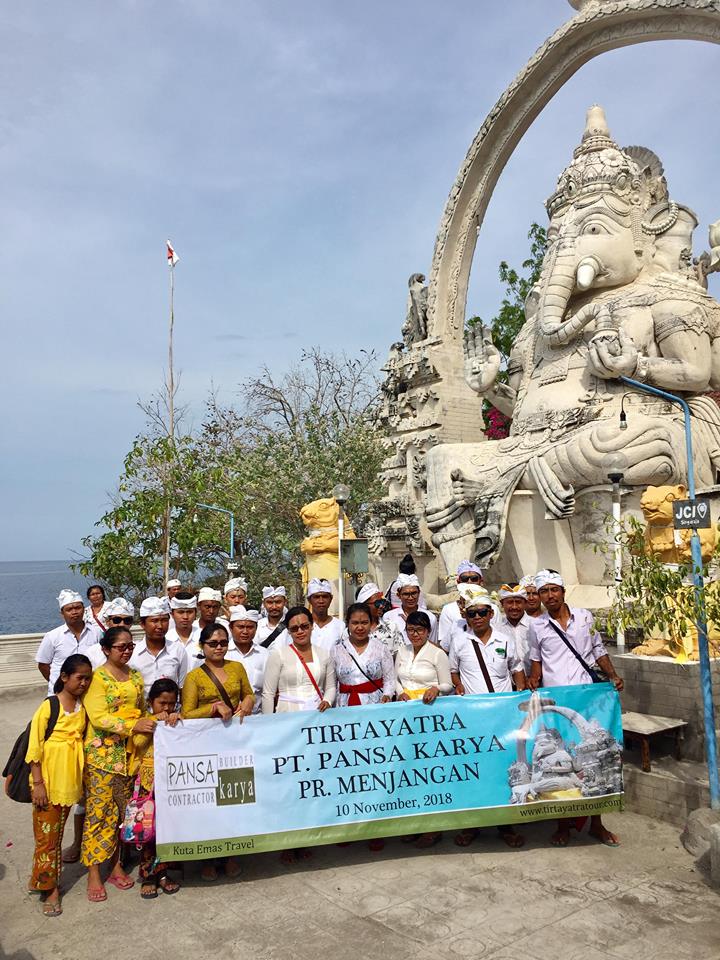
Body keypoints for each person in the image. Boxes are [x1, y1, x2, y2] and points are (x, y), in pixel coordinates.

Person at [527, 570, 624, 848]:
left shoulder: (584, 617)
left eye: (553, 590)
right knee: (561, 764)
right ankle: (564, 825)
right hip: (557, 701)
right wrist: (534, 681)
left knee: (594, 759)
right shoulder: (537, 626)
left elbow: (597, 651)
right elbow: (537, 662)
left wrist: (613, 676)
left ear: (563, 591)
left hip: (588, 698)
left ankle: (597, 823)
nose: (549, 596)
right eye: (543, 592)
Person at [81, 626, 154, 902]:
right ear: (105, 649)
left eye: (129, 646)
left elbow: (144, 709)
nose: (126, 651)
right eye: (120, 647)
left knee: (122, 815)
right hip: (103, 757)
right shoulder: (98, 678)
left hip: (131, 756)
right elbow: (98, 717)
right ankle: (94, 873)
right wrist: (133, 725)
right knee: (98, 815)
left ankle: (114, 865)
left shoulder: (135, 675)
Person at [450, 586, 526, 850]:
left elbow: (517, 669)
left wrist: (520, 696)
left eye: (482, 612)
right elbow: (454, 672)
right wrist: (458, 686)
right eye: (472, 614)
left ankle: (506, 823)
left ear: (491, 613)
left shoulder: (505, 640)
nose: (477, 617)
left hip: (502, 717)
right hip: (474, 719)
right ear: (467, 617)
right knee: (475, 771)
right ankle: (473, 823)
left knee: (504, 770)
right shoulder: (459, 641)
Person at [181, 622, 255, 882]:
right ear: (202, 646)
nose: (219, 647)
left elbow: (248, 694)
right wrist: (213, 707)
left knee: (235, 798)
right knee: (209, 802)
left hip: (234, 742)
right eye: (213, 643)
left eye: (223, 642)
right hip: (206, 745)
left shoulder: (237, 667)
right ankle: (208, 856)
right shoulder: (194, 677)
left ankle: (233, 852)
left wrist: (246, 703)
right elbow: (186, 714)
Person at [26, 654, 92, 917]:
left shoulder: (81, 708)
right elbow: (34, 748)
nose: (84, 683)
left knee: (54, 836)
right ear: (64, 677)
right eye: (79, 678)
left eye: (88, 678)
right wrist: (39, 783)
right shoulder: (50, 706)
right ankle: (50, 889)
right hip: (50, 785)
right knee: (48, 841)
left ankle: (42, 878)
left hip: (70, 785)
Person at [332, 602, 395, 852]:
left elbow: (390, 681)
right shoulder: (337, 650)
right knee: (349, 771)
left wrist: (386, 698)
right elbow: (332, 683)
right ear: (347, 624)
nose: (359, 627)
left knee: (374, 769)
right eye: (354, 622)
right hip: (346, 713)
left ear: (372, 624)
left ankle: (375, 827)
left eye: (364, 622)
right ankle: (348, 824)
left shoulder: (381, 648)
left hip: (374, 714)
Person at [395, 611, 452, 849]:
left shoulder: (437, 654)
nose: (415, 635)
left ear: (428, 631)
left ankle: (433, 826)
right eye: (411, 630)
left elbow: (448, 683)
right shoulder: (402, 651)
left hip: (430, 716)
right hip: (406, 714)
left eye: (419, 630)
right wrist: (400, 692)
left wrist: (436, 688)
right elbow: (397, 679)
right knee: (408, 771)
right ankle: (413, 823)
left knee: (429, 771)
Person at [131, 678, 181, 899]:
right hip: (148, 783)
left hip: (170, 782)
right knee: (148, 832)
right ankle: (148, 875)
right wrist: (153, 721)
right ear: (151, 702)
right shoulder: (145, 721)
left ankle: (163, 873)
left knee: (167, 828)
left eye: (171, 703)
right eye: (162, 703)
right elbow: (139, 744)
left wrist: (178, 721)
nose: (167, 708)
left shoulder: (177, 721)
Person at [262, 606, 336, 714]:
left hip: (317, 716)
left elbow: (330, 687)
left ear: (312, 626)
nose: (300, 631)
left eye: (304, 626)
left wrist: (327, 700)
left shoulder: (324, 654)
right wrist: (269, 723)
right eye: (294, 628)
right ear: (288, 631)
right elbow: (268, 693)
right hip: (287, 716)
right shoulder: (278, 655)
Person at [35, 590, 102, 695]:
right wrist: (57, 682)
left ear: (84, 610)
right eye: (69, 609)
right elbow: (43, 665)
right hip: (59, 693)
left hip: (88, 691)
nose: (74, 612)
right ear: (62, 613)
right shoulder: (52, 636)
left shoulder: (96, 633)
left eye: (78, 608)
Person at [129, 597, 187, 691]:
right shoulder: (132, 652)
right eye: (154, 621)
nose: (160, 626)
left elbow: (182, 687)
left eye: (164, 620)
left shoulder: (177, 650)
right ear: (142, 624)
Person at [226, 606, 269, 713]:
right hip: (225, 720)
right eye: (240, 627)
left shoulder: (264, 654)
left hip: (257, 719)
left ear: (256, 628)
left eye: (250, 627)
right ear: (231, 627)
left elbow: (268, 691)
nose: (245, 631)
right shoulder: (222, 653)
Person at [382, 574, 438, 647]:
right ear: (399, 595)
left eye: (414, 593)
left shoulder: (430, 617)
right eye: (406, 594)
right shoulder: (389, 617)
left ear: (419, 593)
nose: (411, 598)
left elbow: (432, 646)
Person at [356, 582, 404, 655]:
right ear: (364, 605)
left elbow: (401, 656)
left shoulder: (391, 628)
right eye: (377, 603)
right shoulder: (351, 632)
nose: (381, 606)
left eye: (382, 602)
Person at [498, 583, 532, 675]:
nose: (514, 607)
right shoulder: (496, 629)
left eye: (518, 602)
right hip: (509, 684)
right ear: (502, 604)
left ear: (525, 603)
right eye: (509, 602)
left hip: (536, 681)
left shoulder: (535, 625)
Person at [166, 592, 201, 658]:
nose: (185, 617)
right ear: (172, 614)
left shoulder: (204, 637)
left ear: (196, 613)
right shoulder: (166, 639)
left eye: (189, 612)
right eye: (180, 612)